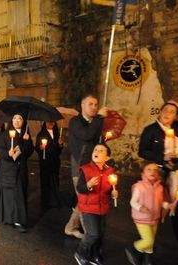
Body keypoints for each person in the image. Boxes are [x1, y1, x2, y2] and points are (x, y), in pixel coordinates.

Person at [138, 100, 178, 254]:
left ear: (176, 116)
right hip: (159, 173)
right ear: (160, 112)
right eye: (166, 110)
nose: (168, 113)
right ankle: (147, 241)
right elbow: (142, 151)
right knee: (155, 206)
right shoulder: (151, 130)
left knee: (177, 205)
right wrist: (161, 157)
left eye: (172, 111)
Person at [65, 94, 108, 239]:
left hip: (93, 167)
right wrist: (99, 119)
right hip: (80, 168)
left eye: (96, 105)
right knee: (86, 200)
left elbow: (97, 144)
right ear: (83, 105)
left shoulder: (95, 123)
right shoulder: (75, 122)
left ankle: (70, 228)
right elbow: (87, 135)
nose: (94, 107)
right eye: (91, 104)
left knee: (83, 200)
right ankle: (91, 235)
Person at [74, 143, 118, 265]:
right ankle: (80, 252)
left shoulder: (109, 171)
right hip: (88, 207)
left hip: (102, 206)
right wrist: (88, 185)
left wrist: (112, 192)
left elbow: (108, 189)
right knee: (93, 233)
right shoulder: (85, 169)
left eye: (101, 150)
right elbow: (80, 188)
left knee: (101, 234)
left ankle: (95, 254)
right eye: (95, 149)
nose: (97, 152)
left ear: (107, 157)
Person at [125, 162, 170, 265]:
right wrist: (141, 208)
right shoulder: (139, 187)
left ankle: (147, 259)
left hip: (154, 218)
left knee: (151, 240)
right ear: (143, 173)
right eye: (149, 169)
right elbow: (132, 202)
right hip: (141, 218)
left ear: (159, 174)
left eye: (155, 170)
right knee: (148, 240)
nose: (152, 172)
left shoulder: (160, 188)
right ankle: (133, 248)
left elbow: (161, 202)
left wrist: (167, 205)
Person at [0, 113, 34, 233]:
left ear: (23, 121)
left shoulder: (25, 134)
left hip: (21, 169)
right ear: (11, 120)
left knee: (20, 194)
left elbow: (28, 152)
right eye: (15, 118)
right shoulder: (4, 135)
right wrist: (8, 154)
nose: (17, 121)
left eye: (20, 119)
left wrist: (27, 142)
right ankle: (12, 219)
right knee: (10, 195)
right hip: (8, 169)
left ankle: (16, 219)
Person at [35, 121, 63, 209]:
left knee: (55, 180)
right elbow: (37, 147)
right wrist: (41, 147)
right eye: (48, 122)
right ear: (45, 123)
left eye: (52, 122)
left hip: (55, 161)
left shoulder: (57, 133)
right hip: (45, 161)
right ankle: (46, 200)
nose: (51, 123)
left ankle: (55, 199)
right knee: (45, 181)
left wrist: (60, 144)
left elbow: (59, 149)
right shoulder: (41, 134)